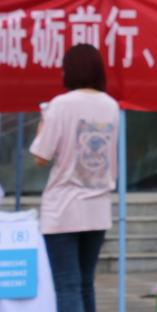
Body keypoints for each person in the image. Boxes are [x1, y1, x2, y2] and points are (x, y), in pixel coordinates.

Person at [30, 44, 120, 312]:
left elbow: (40, 156)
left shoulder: (60, 105)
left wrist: (43, 122)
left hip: (63, 209)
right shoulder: (111, 105)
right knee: (85, 284)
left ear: (70, 70)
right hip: (98, 208)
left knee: (67, 286)